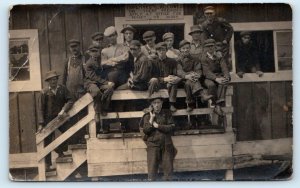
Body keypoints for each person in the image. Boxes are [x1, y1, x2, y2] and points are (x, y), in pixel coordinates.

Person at [37, 70, 74, 171]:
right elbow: (40, 109)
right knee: (47, 141)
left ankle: (60, 149)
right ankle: (47, 165)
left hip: (60, 118)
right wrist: (41, 124)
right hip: (48, 119)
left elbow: (70, 100)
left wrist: (63, 110)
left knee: (69, 131)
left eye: (55, 79)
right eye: (51, 80)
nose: (54, 81)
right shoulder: (44, 92)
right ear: (48, 81)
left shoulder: (62, 89)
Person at [140, 92, 177, 181]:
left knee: (168, 171)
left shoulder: (167, 113)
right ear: (152, 104)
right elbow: (146, 130)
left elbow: (172, 127)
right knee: (152, 171)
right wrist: (151, 119)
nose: (157, 105)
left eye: (158, 102)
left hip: (166, 144)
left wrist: (158, 126)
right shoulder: (147, 116)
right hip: (153, 145)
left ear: (162, 103)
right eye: (154, 103)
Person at [84, 44, 114, 133]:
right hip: (90, 82)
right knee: (96, 92)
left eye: (96, 51)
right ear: (89, 53)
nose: (95, 53)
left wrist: (108, 82)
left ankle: (104, 108)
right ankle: (97, 112)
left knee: (110, 89)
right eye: (93, 51)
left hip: (100, 82)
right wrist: (106, 82)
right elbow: (93, 77)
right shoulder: (89, 63)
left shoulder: (102, 60)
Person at [177, 40, 213, 112]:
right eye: (183, 48)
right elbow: (179, 71)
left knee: (189, 83)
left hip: (194, 79)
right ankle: (202, 95)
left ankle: (190, 104)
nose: (185, 50)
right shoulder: (178, 60)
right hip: (182, 80)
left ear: (190, 48)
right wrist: (187, 76)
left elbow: (198, 69)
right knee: (187, 82)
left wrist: (197, 75)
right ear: (180, 50)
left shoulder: (195, 58)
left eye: (187, 48)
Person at [201, 39, 230, 116]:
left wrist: (226, 76)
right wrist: (216, 79)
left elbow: (224, 67)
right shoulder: (203, 57)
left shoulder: (219, 55)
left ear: (215, 46)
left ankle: (217, 106)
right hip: (208, 78)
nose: (210, 48)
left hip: (219, 76)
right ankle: (216, 105)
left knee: (224, 82)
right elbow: (206, 72)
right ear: (205, 48)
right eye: (208, 46)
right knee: (211, 85)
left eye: (212, 46)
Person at [149, 42, 181, 112]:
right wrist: (163, 79)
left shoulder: (172, 61)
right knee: (153, 80)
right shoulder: (153, 62)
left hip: (168, 85)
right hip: (157, 84)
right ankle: (150, 104)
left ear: (166, 50)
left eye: (163, 50)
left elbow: (175, 73)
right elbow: (150, 76)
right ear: (156, 51)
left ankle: (171, 104)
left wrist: (174, 78)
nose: (161, 52)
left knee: (174, 81)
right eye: (159, 50)